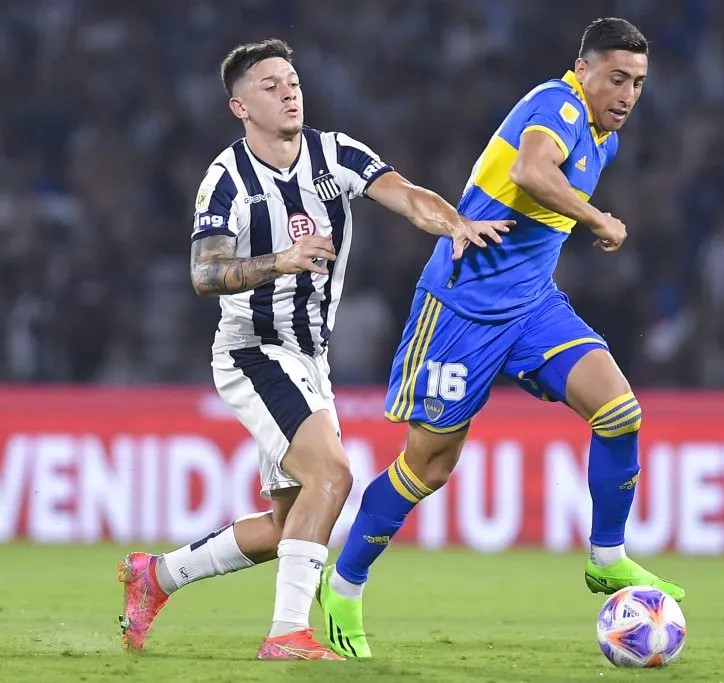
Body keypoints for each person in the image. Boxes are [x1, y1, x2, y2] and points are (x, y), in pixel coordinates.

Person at [116, 38, 510, 661]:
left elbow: (407, 195)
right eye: (270, 86)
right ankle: (286, 636)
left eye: (292, 81)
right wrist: (283, 261)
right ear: (240, 107)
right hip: (254, 350)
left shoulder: (335, 153)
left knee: (288, 525)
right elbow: (204, 273)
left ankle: (155, 576)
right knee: (334, 474)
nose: (288, 92)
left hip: (310, 356)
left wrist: (455, 221)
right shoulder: (226, 179)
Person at [318, 18, 684, 659]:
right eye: (618, 78)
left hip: (532, 308)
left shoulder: (604, 136)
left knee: (620, 412)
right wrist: (598, 217)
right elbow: (533, 169)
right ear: (584, 68)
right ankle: (343, 585)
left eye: (639, 84)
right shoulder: (557, 103)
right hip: (460, 310)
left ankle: (607, 558)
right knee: (428, 466)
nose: (628, 94)